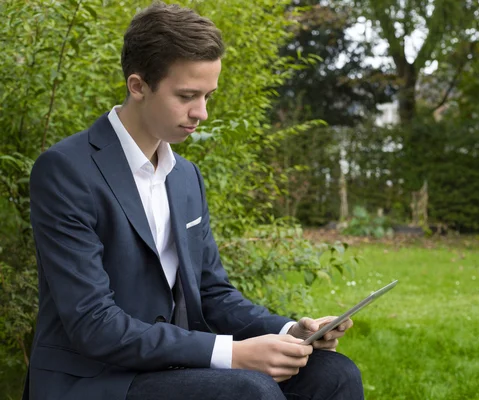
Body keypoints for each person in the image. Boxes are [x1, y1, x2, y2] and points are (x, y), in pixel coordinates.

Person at [24, 2, 363, 400]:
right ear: (138, 86)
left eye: (208, 96)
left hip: (170, 366)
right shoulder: (65, 171)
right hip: (94, 378)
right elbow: (93, 323)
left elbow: (212, 292)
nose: (201, 112)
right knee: (249, 390)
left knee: (334, 373)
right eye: (187, 95)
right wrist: (232, 353)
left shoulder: (185, 176)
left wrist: (290, 331)